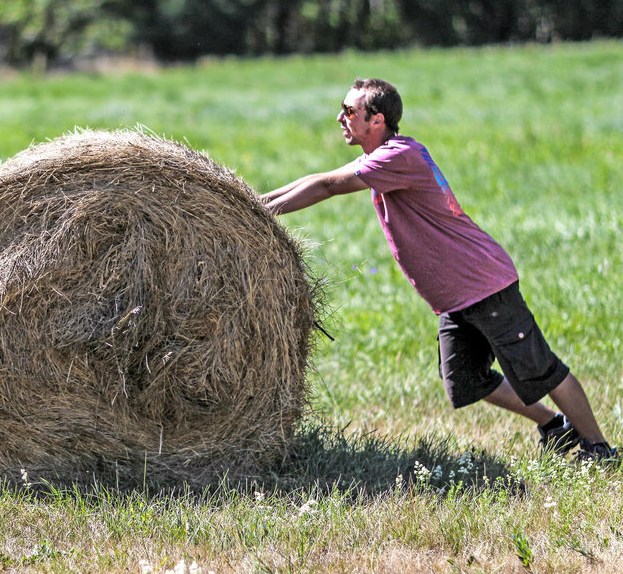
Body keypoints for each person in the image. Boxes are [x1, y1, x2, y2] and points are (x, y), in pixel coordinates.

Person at [260, 78, 617, 463]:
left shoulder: (398, 157)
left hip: (482, 284)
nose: (339, 117)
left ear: (376, 120)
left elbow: (328, 186)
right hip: (456, 295)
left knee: (541, 369)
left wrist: (254, 213)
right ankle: (554, 426)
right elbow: (319, 180)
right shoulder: (385, 155)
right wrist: (251, 204)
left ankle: (600, 448)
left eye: (349, 111)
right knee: (464, 380)